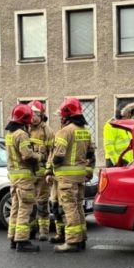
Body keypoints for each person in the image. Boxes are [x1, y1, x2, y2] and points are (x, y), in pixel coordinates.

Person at [47, 98, 95, 254]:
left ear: (66, 116)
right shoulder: (85, 132)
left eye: (61, 115)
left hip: (66, 179)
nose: (60, 118)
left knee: (69, 209)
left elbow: (59, 155)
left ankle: (72, 242)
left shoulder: (64, 131)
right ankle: (81, 239)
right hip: (80, 178)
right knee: (78, 208)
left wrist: (52, 167)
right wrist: (88, 172)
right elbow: (91, 155)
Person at [4, 104, 41, 253]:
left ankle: (13, 238)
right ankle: (22, 241)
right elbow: (27, 155)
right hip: (24, 179)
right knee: (25, 209)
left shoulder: (10, 134)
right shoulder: (21, 134)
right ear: (26, 119)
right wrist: (40, 157)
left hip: (14, 178)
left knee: (15, 208)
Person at [26, 100, 55, 241]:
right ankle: (31, 230)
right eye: (32, 113)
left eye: (37, 114)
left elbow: (52, 152)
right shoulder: (26, 130)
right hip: (29, 174)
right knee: (29, 203)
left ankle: (44, 231)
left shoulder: (47, 131)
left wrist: (49, 171)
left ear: (42, 114)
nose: (34, 117)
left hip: (42, 173)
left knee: (42, 202)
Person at [103, 103, 134, 167]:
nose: (129, 116)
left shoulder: (126, 125)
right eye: (128, 113)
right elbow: (108, 146)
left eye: (130, 114)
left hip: (126, 162)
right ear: (122, 114)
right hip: (114, 163)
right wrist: (117, 162)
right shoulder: (111, 125)